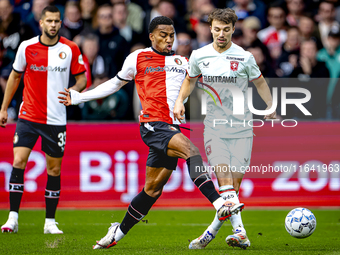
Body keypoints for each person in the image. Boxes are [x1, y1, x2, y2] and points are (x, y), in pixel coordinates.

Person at [58, 16, 244, 249]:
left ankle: (116, 234)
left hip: (174, 128)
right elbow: (114, 84)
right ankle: (219, 203)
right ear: (152, 36)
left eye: (172, 35)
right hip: (153, 124)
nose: (169, 39)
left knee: (152, 189)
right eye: (164, 35)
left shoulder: (183, 61)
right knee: (191, 150)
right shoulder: (137, 58)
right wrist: (79, 97)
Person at [174, 8, 276, 249]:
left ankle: (208, 235)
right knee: (225, 182)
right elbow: (189, 81)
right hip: (214, 128)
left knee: (233, 192)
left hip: (242, 128)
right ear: (210, 28)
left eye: (226, 30)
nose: (221, 34)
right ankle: (241, 233)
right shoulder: (199, 55)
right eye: (217, 29)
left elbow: (260, 82)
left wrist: (271, 105)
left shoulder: (245, 57)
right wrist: (180, 101)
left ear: (233, 30)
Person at [0, 5, 87, 234]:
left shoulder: (70, 49)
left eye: (56, 21)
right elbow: (14, 77)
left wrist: (73, 92)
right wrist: (3, 107)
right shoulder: (26, 47)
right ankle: (13, 218)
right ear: (41, 23)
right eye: (49, 21)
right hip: (28, 116)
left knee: (54, 170)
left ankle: (49, 222)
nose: (53, 25)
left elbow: (82, 79)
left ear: (60, 23)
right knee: (18, 162)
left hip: (56, 119)